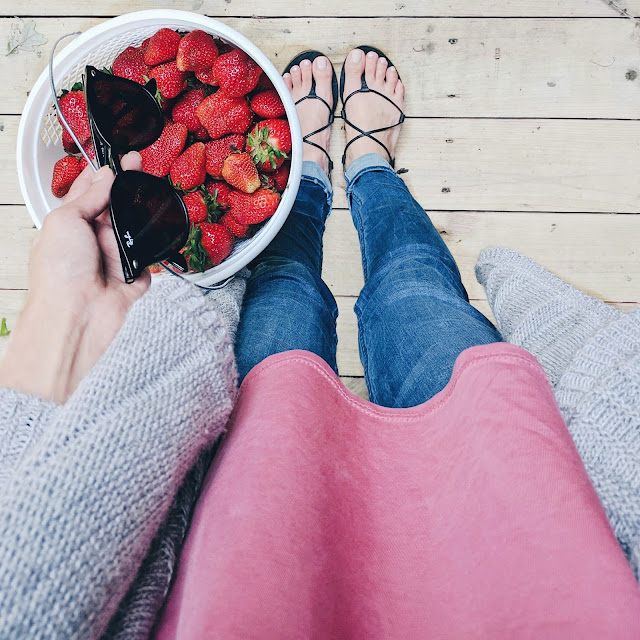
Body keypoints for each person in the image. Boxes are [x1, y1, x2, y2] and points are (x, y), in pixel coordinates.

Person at [0, 48, 639, 640]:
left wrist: (68, 316)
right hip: (514, 510)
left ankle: (309, 178)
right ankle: (367, 167)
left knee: (285, 302)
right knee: (418, 294)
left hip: (253, 532)